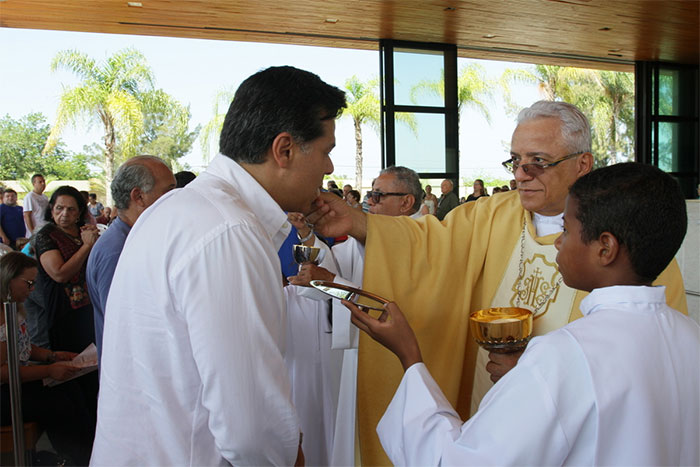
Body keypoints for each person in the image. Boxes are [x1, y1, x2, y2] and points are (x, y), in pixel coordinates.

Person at [307, 100, 688, 465]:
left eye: (537, 162)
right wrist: (361, 223)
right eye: (516, 160)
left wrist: (537, 375)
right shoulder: (491, 215)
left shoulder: (634, 247)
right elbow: (429, 247)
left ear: (582, 164)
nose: (521, 174)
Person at [91, 66, 346, 466]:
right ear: (284, 150)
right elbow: (252, 434)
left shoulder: (179, 209)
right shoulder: (230, 231)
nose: (329, 169)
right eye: (327, 150)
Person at [289, 165, 423, 466]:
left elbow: (399, 308)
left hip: (395, 360)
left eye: (378, 196)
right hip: (359, 357)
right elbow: (335, 265)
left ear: (406, 203)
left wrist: (333, 283)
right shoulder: (365, 238)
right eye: (370, 195)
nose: (369, 203)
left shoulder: (424, 243)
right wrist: (306, 235)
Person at [1, 252, 96, 465]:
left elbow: (21, 348)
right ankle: (76, 458)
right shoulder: (2, 316)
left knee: (71, 390)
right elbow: (4, 370)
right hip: (5, 393)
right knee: (58, 404)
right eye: (28, 283)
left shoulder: (14, 309)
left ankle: (88, 451)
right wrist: (48, 370)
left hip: (17, 381)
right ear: (9, 279)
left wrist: (52, 356)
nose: (32, 289)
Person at [86, 155, 176, 365]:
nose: (175, 199)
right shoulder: (118, 250)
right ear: (139, 197)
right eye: (168, 192)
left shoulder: (134, 239)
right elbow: (127, 326)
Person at [33, 186, 99, 353]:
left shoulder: (85, 232)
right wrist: (86, 247)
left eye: (71, 209)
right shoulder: (46, 236)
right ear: (51, 209)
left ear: (79, 212)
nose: (64, 214)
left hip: (89, 304)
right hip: (63, 308)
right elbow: (59, 274)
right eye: (59, 208)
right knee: (70, 358)